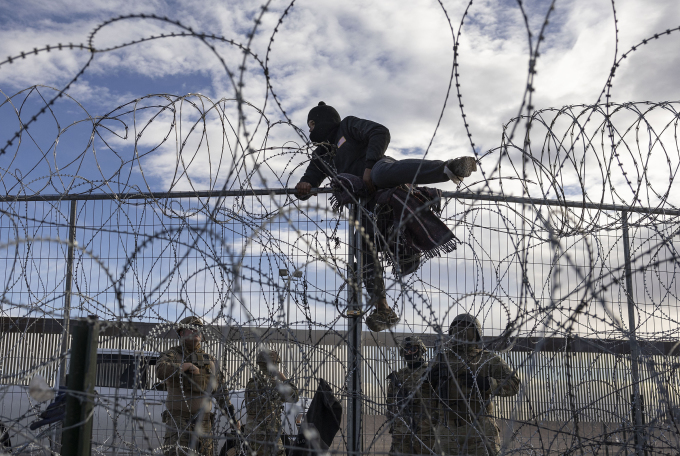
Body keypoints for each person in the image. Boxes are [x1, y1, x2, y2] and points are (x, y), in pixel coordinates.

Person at [295, 102, 478, 332]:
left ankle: (449, 169)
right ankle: (383, 309)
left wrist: (369, 167)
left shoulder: (347, 126)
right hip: (367, 204)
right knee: (361, 244)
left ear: (323, 120)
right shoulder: (322, 154)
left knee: (382, 174)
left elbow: (380, 132)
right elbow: (309, 179)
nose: (310, 130)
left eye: (312, 124)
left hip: (380, 169)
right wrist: (303, 187)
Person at [432, 314, 520, 456]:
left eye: (466, 327)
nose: (460, 331)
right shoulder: (441, 359)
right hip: (447, 428)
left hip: (480, 427)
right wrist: (429, 380)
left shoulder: (488, 359)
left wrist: (487, 383)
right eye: (457, 327)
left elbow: (514, 384)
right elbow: (421, 395)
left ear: (476, 332)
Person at [156, 316, 239, 456]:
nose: (196, 331)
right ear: (181, 333)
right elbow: (160, 370)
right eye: (192, 328)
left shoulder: (210, 361)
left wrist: (232, 418)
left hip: (204, 423)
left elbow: (221, 392)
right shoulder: (172, 354)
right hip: (179, 422)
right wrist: (184, 367)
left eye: (199, 329)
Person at [386, 336, 438, 455]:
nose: (409, 352)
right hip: (402, 430)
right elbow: (390, 403)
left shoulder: (430, 372)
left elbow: (440, 400)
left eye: (413, 349)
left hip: (425, 430)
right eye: (406, 350)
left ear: (420, 350)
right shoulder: (399, 376)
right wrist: (394, 425)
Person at [244, 349, 300, 456]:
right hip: (269, 436)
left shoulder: (251, 384)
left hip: (252, 435)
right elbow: (295, 396)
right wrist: (285, 380)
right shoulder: (274, 385)